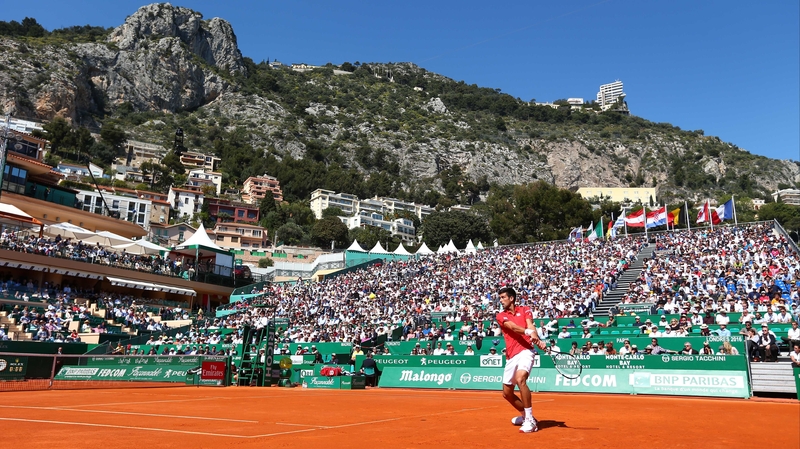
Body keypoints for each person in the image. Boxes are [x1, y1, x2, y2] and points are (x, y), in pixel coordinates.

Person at [496, 286, 545, 434]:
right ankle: (525, 416)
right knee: (507, 393)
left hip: (526, 351)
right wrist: (529, 332)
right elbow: (512, 327)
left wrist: (536, 338)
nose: (501, 300)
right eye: (500, 298)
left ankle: (530, 421)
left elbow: (530, 325)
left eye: (503, 297)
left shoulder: (525, 310)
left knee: (520, 379)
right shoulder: (500, 315)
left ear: (511, 298)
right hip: (511, 355)